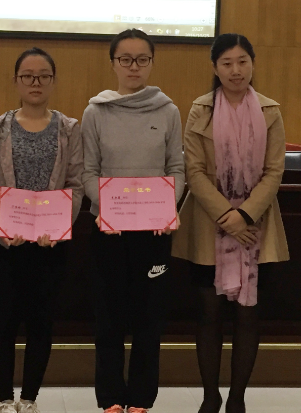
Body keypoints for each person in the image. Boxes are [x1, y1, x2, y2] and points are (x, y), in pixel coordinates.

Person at [172, 33, 289, 413]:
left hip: (257, 227)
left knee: (247, 317)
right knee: (208, 316)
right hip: (207, 226)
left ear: (252, 64)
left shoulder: (270, 111)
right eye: (227, 63)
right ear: (215, 67)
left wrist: (244, 215)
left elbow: (274, 171)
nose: (235, 70)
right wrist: (227, 216)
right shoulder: (200, 109)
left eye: (242, 62)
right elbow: (194, 170)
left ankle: (237, 399)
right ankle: (210, 397)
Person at [81, 29, 185, 413]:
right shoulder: (95, 112)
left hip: (154, 231)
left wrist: (166, 207)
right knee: (108, 318)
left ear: (151, 63)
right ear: (113, 64)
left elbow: (176, 169)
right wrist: (108, 208)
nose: (133, 66)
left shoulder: (168, 111)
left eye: (142, 59)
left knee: (148, 319)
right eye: (125, 59)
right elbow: (88, 172)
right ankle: (110, 397)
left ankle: (141, 399)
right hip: (108, 229)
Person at [0, 47, 84, 413]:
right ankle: (4, 399)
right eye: (28, 76)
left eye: (43, 76)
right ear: (16, 81)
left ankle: (29, 399)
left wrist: (58, 226)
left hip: (50, 245)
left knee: (41, 322)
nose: (35, 82)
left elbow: (76, 185)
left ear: (53, 81)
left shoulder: (69, 128)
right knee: (3, 323)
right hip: (7, 244)